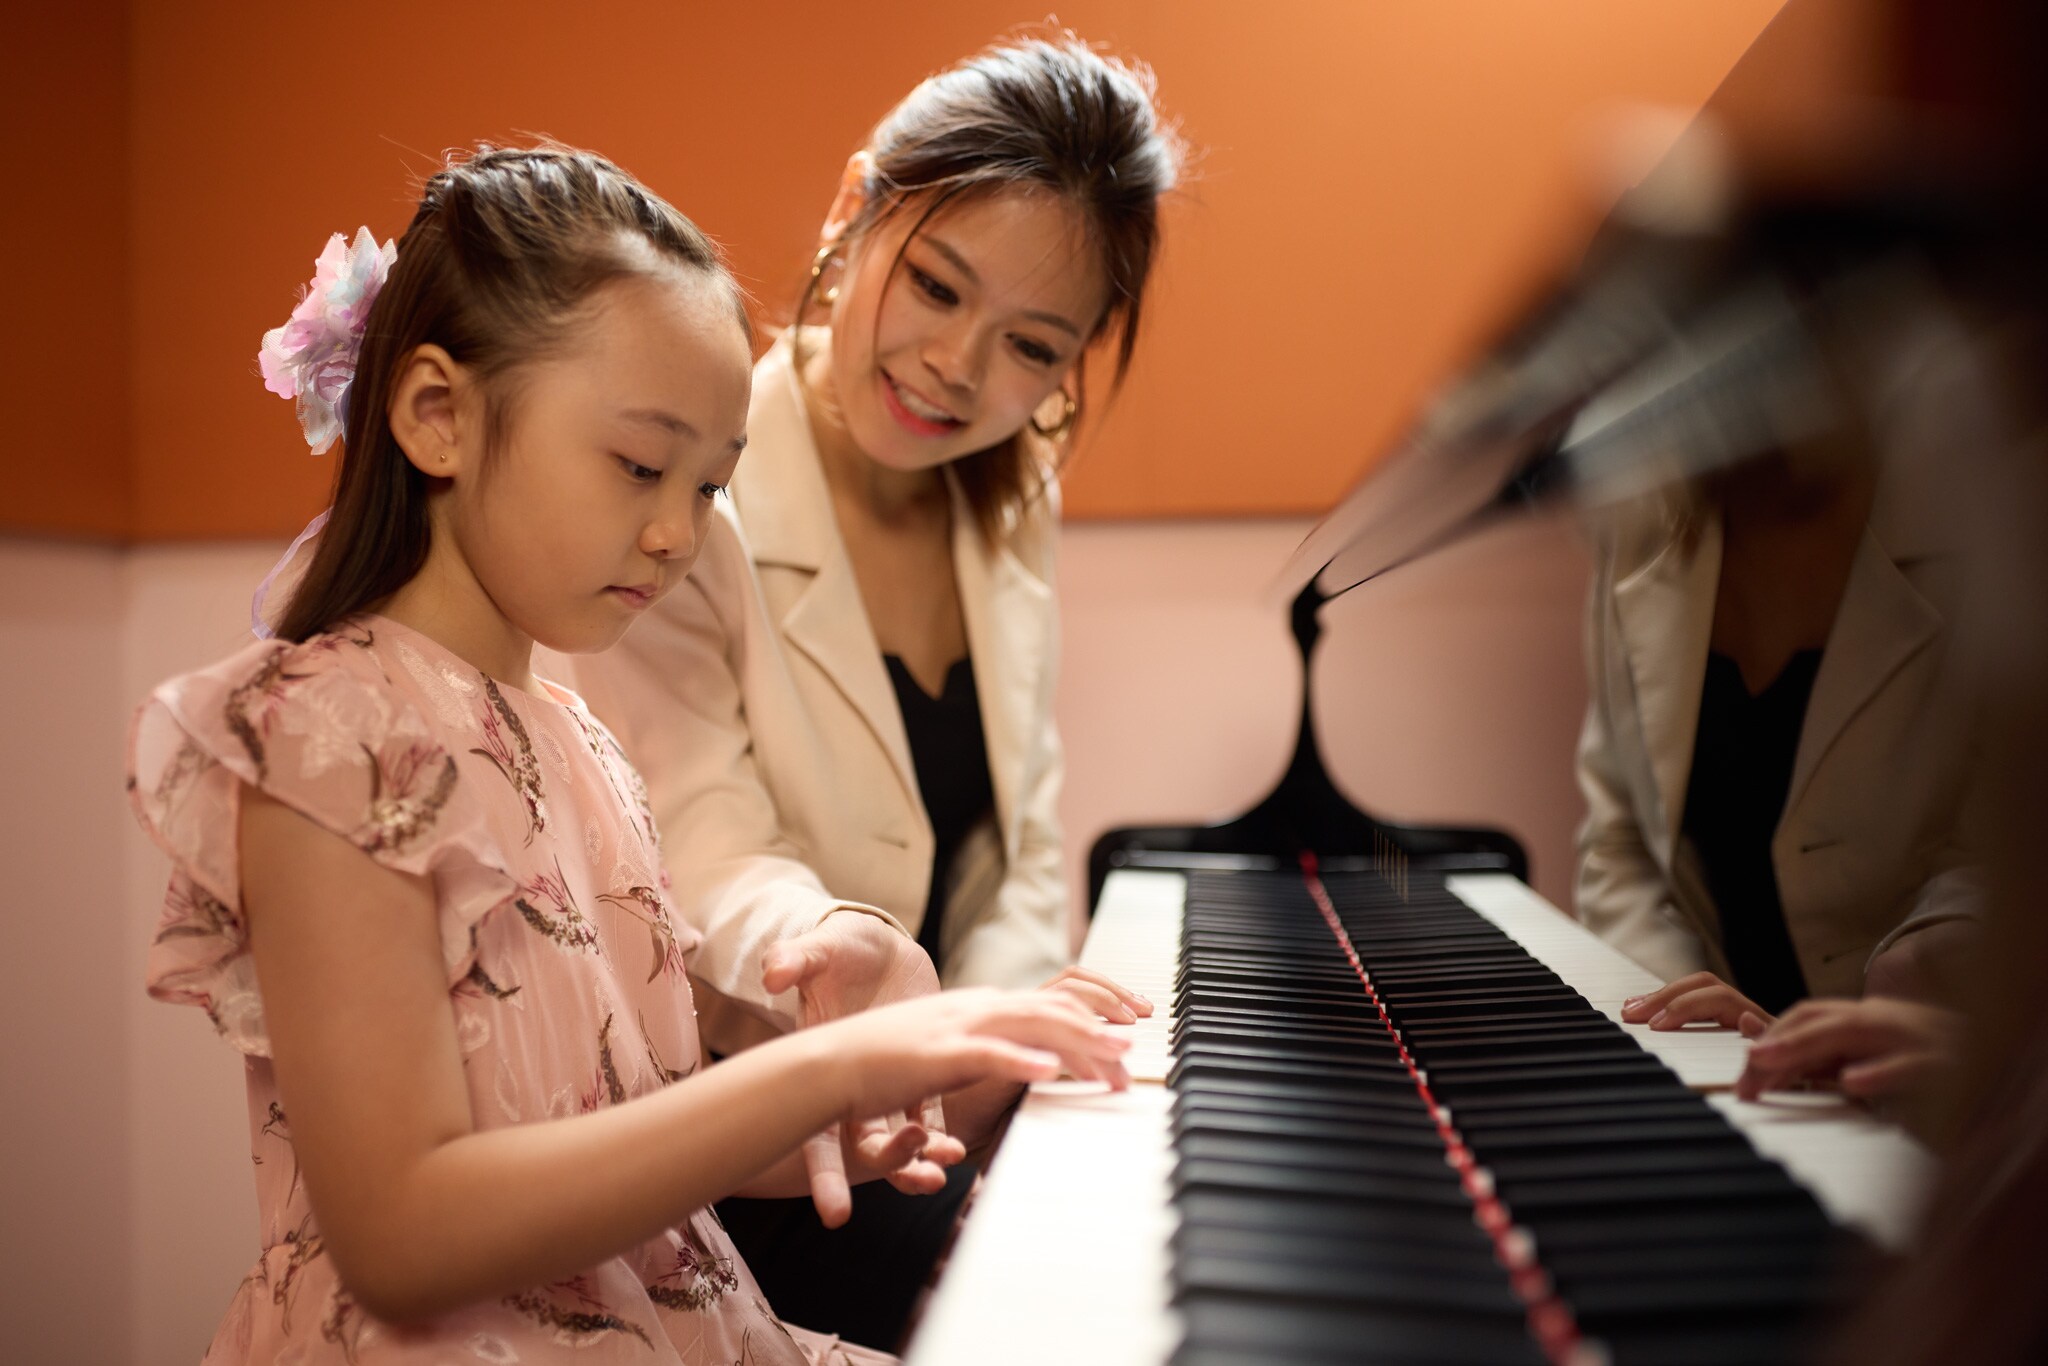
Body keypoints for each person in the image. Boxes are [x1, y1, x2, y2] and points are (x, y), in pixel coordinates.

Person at [128, 144, 1132, 1366]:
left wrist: (863, 1105)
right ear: (439, 416)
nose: (675, 534)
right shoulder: (333, 736)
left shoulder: (575, 736)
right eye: (641, 467)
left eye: (709, 488)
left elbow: (629, 1119)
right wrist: (821, 1072)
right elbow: (400, 1236)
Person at [562, 35, 1182, 1348]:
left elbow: (1017, 839)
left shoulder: (1012, 498)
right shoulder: (698, 486)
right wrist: (845, 947)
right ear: (855, 208)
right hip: (762, 1147)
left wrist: (1003, 1053)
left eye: (1030, 345)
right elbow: (698, 841)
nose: (957, 365)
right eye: (938, 285)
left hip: (941, 1103)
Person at [1573, 421, 1986, 1035]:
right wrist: (1681, 1023)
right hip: (1727, 1061)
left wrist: (1880, 1020)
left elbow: (2008, 853)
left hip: (1928, 1054)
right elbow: (1621, 839)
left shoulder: (1983, 506)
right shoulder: (1636, 516)